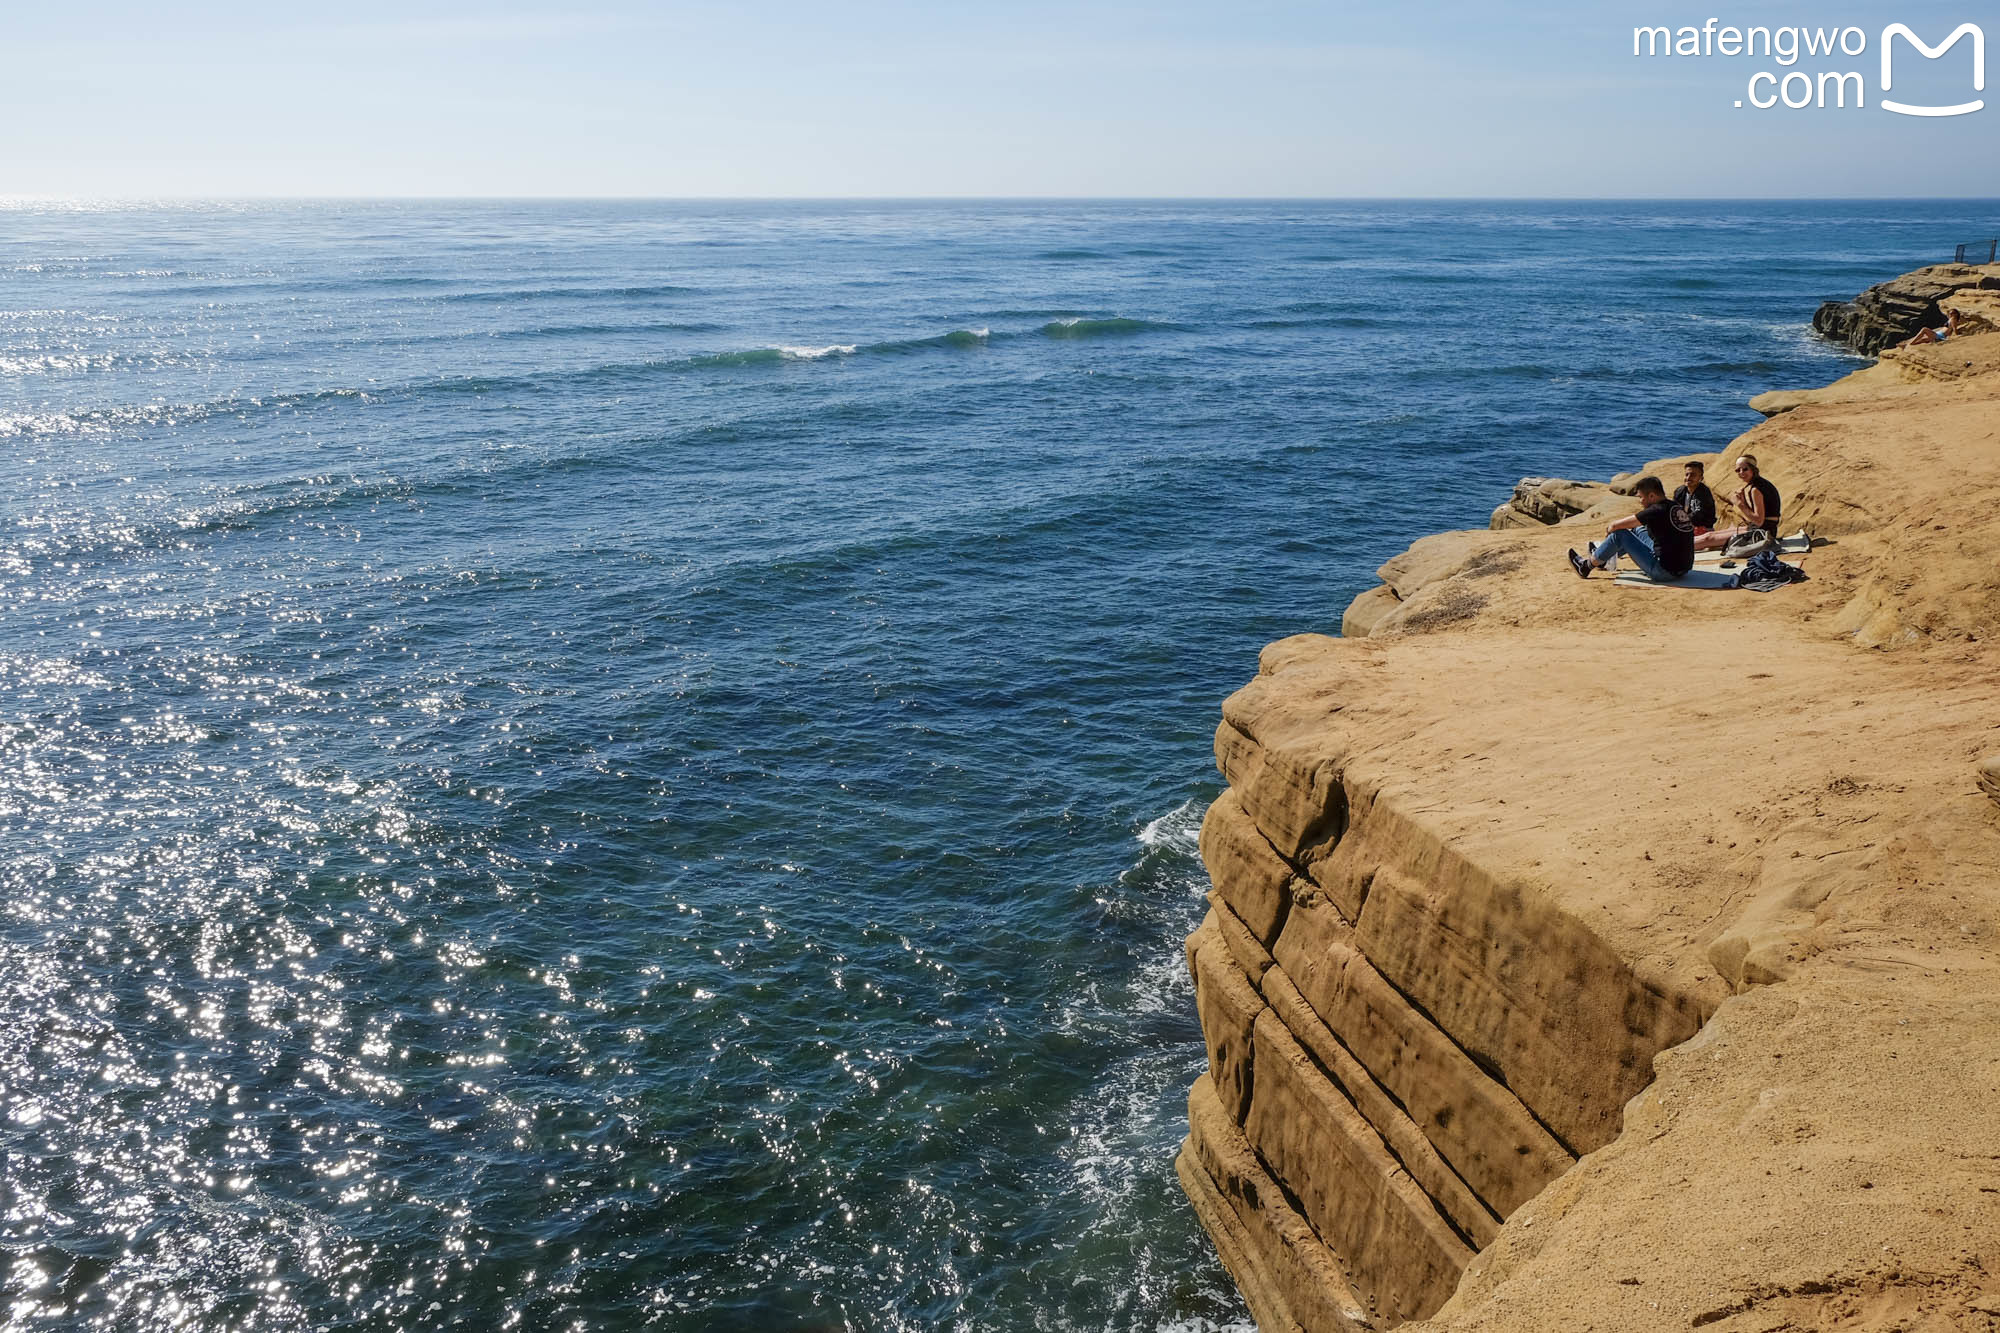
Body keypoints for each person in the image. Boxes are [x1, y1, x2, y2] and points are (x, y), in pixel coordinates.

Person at [1567, 475, 1694, 582]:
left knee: (1620, 534)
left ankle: (1586, 566)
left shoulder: (1656, 510)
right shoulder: (1674, 506)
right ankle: (1604, 559)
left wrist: (1610, 532)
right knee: (1637, 530)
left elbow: (1614, 526)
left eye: (1640, 497)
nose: (1640, 501)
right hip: (1683, 569)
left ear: (1651, 496)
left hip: (1663, 572)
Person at [1694, 454, 1780, 551]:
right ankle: (1680, 542)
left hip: (1763, 533)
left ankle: (1678, 548)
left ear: (1753, 469)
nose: (1741, 472)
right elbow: (1760, 516)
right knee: (1710, 534)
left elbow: (1759, 521)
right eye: (1738, 470)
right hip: (1764, 528)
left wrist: (1739, 503)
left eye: (1745, 469)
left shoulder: (1756, 489)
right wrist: (1743, 500)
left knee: (1708, 539)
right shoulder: (1759, 484)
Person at [1674, 460, 1717, 536]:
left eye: (1693, 475)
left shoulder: (1704, 493)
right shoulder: (1680, 491)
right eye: (1687, 474)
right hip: (1684, 526)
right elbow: (1673, 509)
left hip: (1703, 528)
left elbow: (1699, 514)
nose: (1688, 478)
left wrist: (1680, 522)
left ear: (1701, 478)